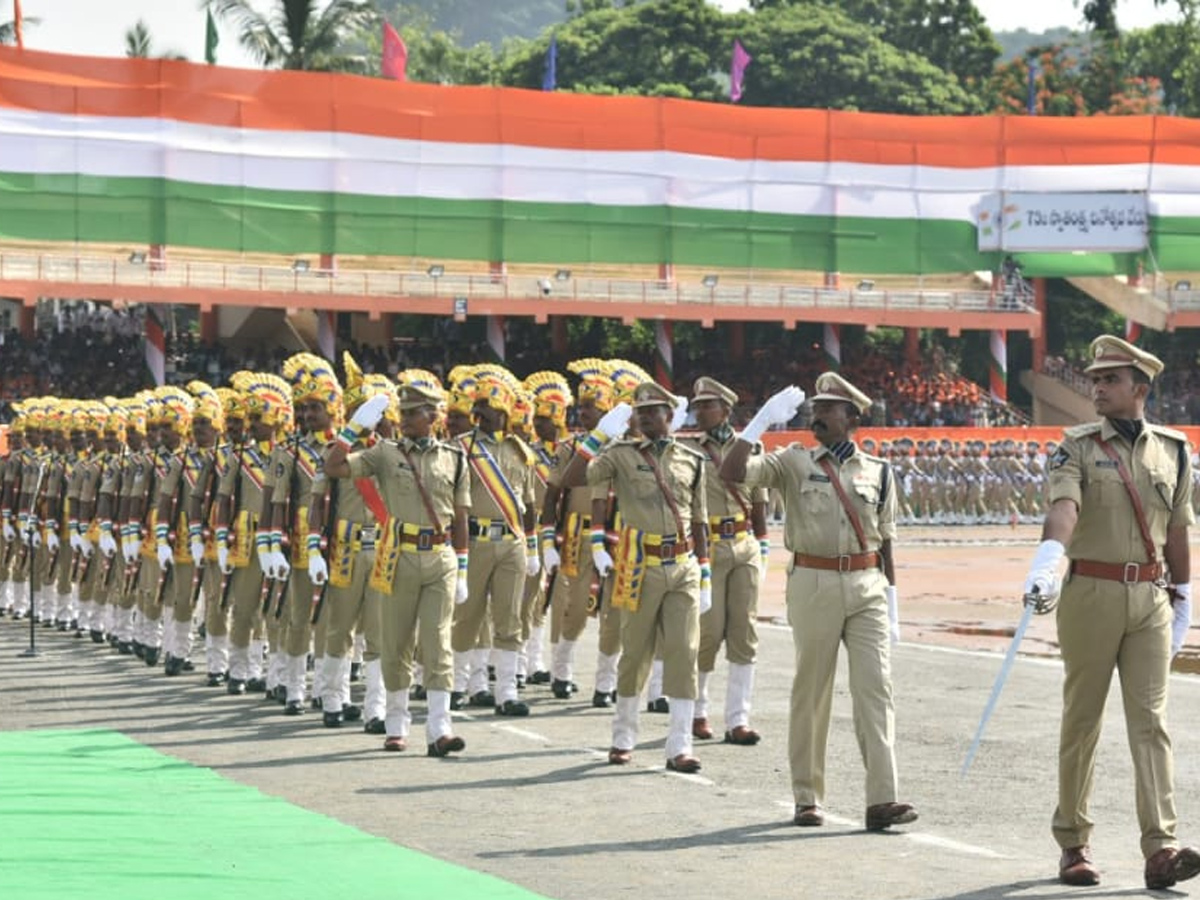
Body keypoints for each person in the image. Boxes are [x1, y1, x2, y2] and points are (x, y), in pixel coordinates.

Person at [1022, 335, 1198, 890]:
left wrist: (1186, 595)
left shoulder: (1173, 450)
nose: (1097, 387)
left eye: (1110, 379)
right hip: (1090, 594)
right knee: (1083, 721)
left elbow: (1176, 528)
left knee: (1152, 725)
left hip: (1149, 599)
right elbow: (1064, 506)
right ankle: (1073, 842)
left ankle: (1161, 848)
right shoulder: (1074, 446)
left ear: (1140, 388)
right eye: (1094, 379)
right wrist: (1051, 557)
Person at [721, 372, 917, 832]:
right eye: (816, 406)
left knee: (876, 689)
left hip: (867, 583)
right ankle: (807, 796)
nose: (818, 413)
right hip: (813, 580)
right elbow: (731, 473)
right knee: (813, 691)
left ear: (852, 416)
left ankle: (881, 800)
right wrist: (758, 425)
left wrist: (891, 602)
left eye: (829, 407)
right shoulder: (792, 461)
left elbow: (887, 542)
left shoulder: (880, 472)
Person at [321, 377, 470, 757]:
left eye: (412, 413)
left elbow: (462, 516)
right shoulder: (385, 454)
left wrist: (463, 566)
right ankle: (396, 724)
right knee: (396, 642)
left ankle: (440, 729)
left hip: (440, 557)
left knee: (438, 643)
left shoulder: (455, 457)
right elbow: (334, 467)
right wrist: (353, 429)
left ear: (434, 415)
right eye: (400, 412)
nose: (403, 419)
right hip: (398, 555)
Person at [578, 380, 709, 772]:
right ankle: (623, 737)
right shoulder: (619, 455)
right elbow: (575, 475)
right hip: (638, 563)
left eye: (655, 411)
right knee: (635, 652)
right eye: (642, 411)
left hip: (683, 564)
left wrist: (705, 574)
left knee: (685, 652)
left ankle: (679, 745)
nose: (647, 416)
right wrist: (602, 433)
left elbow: (699, 522)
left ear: (671, 416)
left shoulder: (692, 459)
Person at [679, 376, 767, 745]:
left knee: (744, 631)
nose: (700, 412)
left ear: (726, 410)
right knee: (709, 630)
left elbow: (759, 500)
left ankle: (738, 719)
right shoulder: (690, 450)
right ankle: (699, 711)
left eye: (707, 406)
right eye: (697, 406)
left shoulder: (751, 446)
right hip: (709, 546)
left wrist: (762, 545)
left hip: (744, 541)